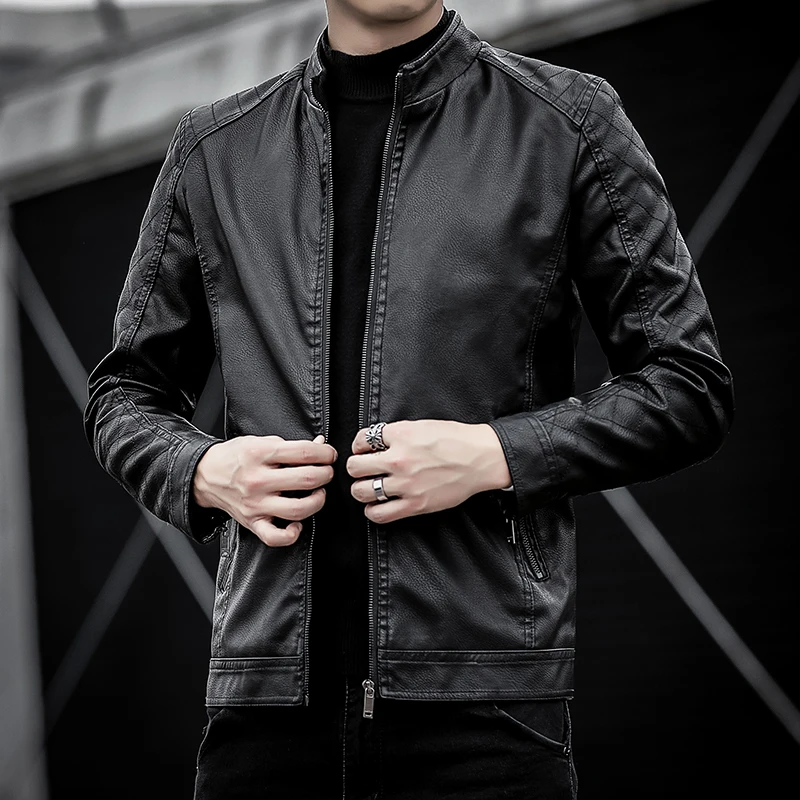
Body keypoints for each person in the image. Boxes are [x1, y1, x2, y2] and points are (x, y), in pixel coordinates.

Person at [82, 1, 735, 797]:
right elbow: (123, 394)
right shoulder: (214, 151)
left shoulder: (565, 121)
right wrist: (204, 471)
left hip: (485, 716)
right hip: (263, 718)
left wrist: (493, 455)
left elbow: (688, 384)